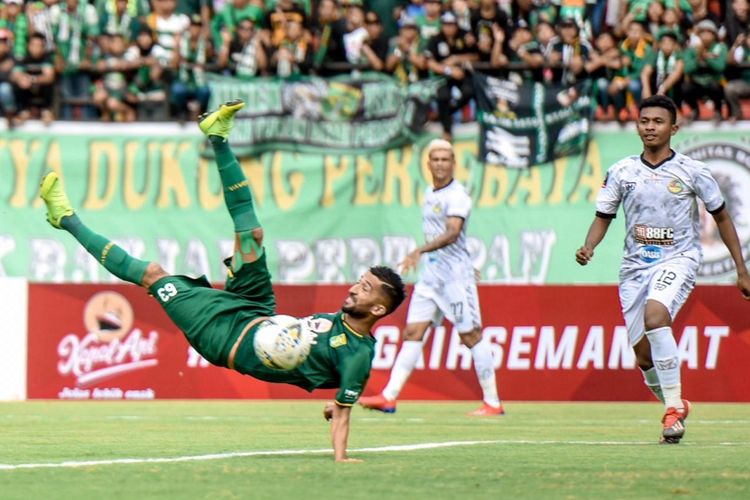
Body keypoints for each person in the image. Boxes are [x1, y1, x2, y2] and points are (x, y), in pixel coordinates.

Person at [38, 99, 406, 462]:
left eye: (365, 288)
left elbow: (343, 411)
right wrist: (333, 402)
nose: (354, 287)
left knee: (152, 275)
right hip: (258, 311)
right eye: (359, 280)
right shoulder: (342, 323)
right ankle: (217, 135)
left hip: (223, 337)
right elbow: (337, 399)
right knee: (252, 235)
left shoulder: (358, 354)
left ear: (377, 308)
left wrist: (340, 456)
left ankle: (65, 218)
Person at [575, 95, 750, 444]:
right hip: (634, 268)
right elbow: (603, 216)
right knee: (642, 355)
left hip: (678, 259)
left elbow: (722, 216)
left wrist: (741, 270)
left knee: (657, 317)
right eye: (644, 121)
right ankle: (676, 403)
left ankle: (671, 413)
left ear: (673, 128)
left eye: (657, 122)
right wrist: (589, 246)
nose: (650, 127)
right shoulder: (622, 171)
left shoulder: (693, 171)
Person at [358, 139, 504, 417]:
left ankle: (493, 402)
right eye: (435, 159)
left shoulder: (457, 195)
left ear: (453, 163)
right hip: (431, 278)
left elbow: (452, 232)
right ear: (428, 164)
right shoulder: (430, 192)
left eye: (445, 159)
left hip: (455, 279)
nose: (440, 164)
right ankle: (389, 397)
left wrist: (419, 250)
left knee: (471, 336)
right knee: (413, 333)